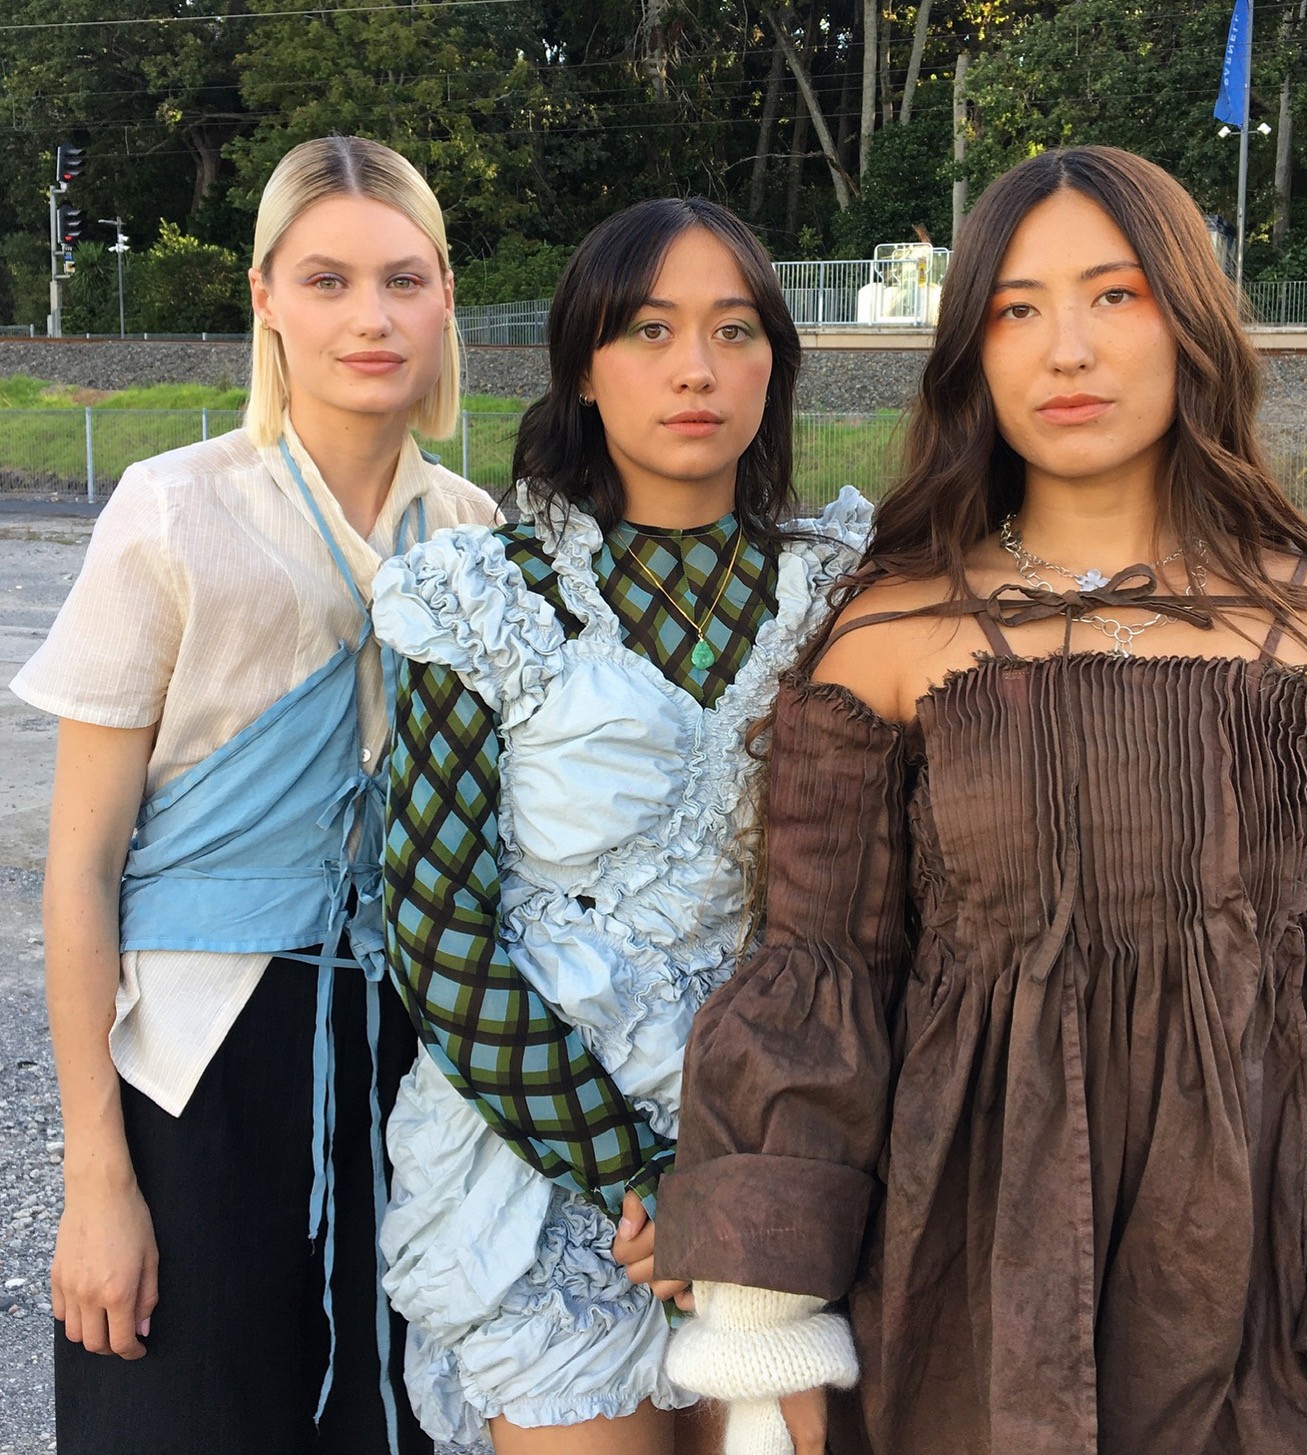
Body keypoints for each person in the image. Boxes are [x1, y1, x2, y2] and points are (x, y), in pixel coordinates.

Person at [654, 145, 1307, 1455]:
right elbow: (817, 982)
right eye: (1014, 308)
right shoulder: (892, 632)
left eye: (1113, 294)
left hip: (1259, 1287)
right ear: (970, 350)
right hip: (961, 1285)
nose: (1063, 349)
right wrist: (760, 1331)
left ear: (1188, 320)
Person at [11, 135, 501, 1455]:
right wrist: (93, 1180)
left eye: (402, 279)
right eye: (327, 280)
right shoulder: (170, 512)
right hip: (197, 1061)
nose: (370, 316)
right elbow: (78, 866)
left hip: (408, 1050)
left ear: (444, 293)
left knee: (379, 1415)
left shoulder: (472, 529)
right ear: (264, 297)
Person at [369, 196, 871, 1455]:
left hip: (779, 1150)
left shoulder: (857, 589)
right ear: (584, 365)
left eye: (735, 331)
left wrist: (744, 1187)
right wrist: (637, 1183)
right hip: (539, 1169)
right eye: (649, 330)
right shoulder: (484, 593)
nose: (695, 368)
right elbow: (435, 927)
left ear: (777, 368)